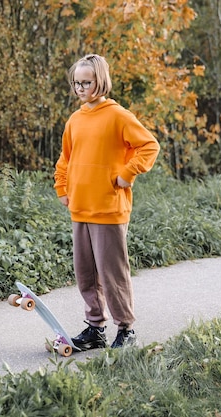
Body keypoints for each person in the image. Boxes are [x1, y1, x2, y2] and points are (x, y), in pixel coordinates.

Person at [53, 54, 160, 349]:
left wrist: (127, 174)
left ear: (100, 80)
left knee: (112, 275)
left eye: (85, 82)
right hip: (80, 209)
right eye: (76, 82)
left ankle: (125, 329)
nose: (80, 88)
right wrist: (62, 188)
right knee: (85, 273)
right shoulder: (75, 119)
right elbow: (65, 159)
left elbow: (149, 146)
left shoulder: (118, 116)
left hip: (109, 209)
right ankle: (94, 329)